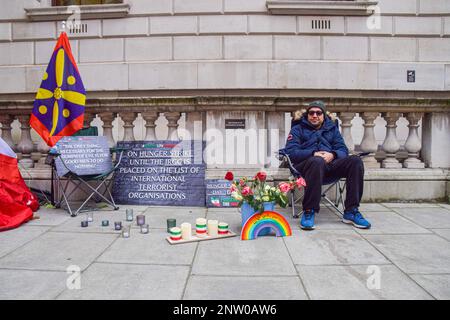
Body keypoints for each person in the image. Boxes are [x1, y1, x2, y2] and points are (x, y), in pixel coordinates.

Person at [283, 100, 371, 230]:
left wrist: (333, 155)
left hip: (330, 166)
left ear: (323, 115)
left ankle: (351, 211)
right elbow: (291, 152)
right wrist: (313, 153)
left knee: (355, 161)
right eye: (311, 113)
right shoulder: (297, 129)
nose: (315, 115)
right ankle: (309, 211)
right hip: (306, 168)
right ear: (307, 115)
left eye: (318, 113)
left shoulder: (332, 129)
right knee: (317, 161)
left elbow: (343, 149)